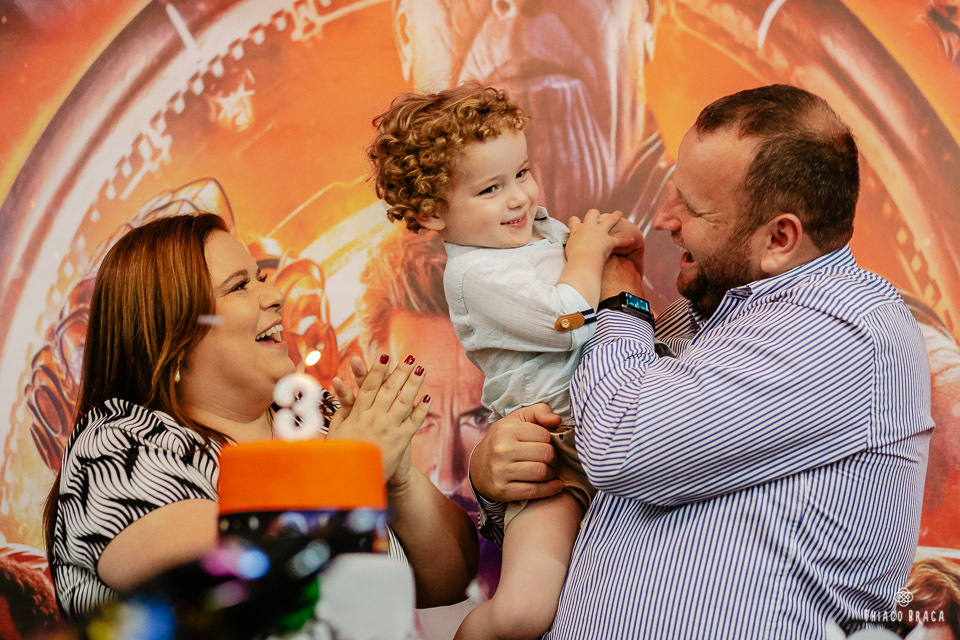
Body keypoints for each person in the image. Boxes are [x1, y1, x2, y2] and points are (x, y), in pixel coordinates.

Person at [470, 84, 935, 638]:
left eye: (693, 207)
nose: (664, 218)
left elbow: (617, 444)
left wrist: (619, 291)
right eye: (673, 189)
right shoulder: (704, 312)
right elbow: (587, 462)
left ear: (780, 238)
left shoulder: (844, 326)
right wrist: (498, 474)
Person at [42, 212, 478, 619]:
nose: (275, 295)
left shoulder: (314, 416)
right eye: (239, 287)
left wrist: (398, 477)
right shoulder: (120, 444)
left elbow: (450, 580)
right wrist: (350, 470)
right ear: (171, 334)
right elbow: (227, 581)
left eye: (261, 279)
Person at [368, 83, 640, 639]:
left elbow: (608, 286)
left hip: (618, 420)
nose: (518, 198)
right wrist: (589, 253)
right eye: (490, 189)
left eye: (522, 173)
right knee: (524, 611)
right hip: (551, 454)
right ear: (432, 212)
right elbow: (568, 320)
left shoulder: (536, 232)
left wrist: (618, 244)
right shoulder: (475, 276)